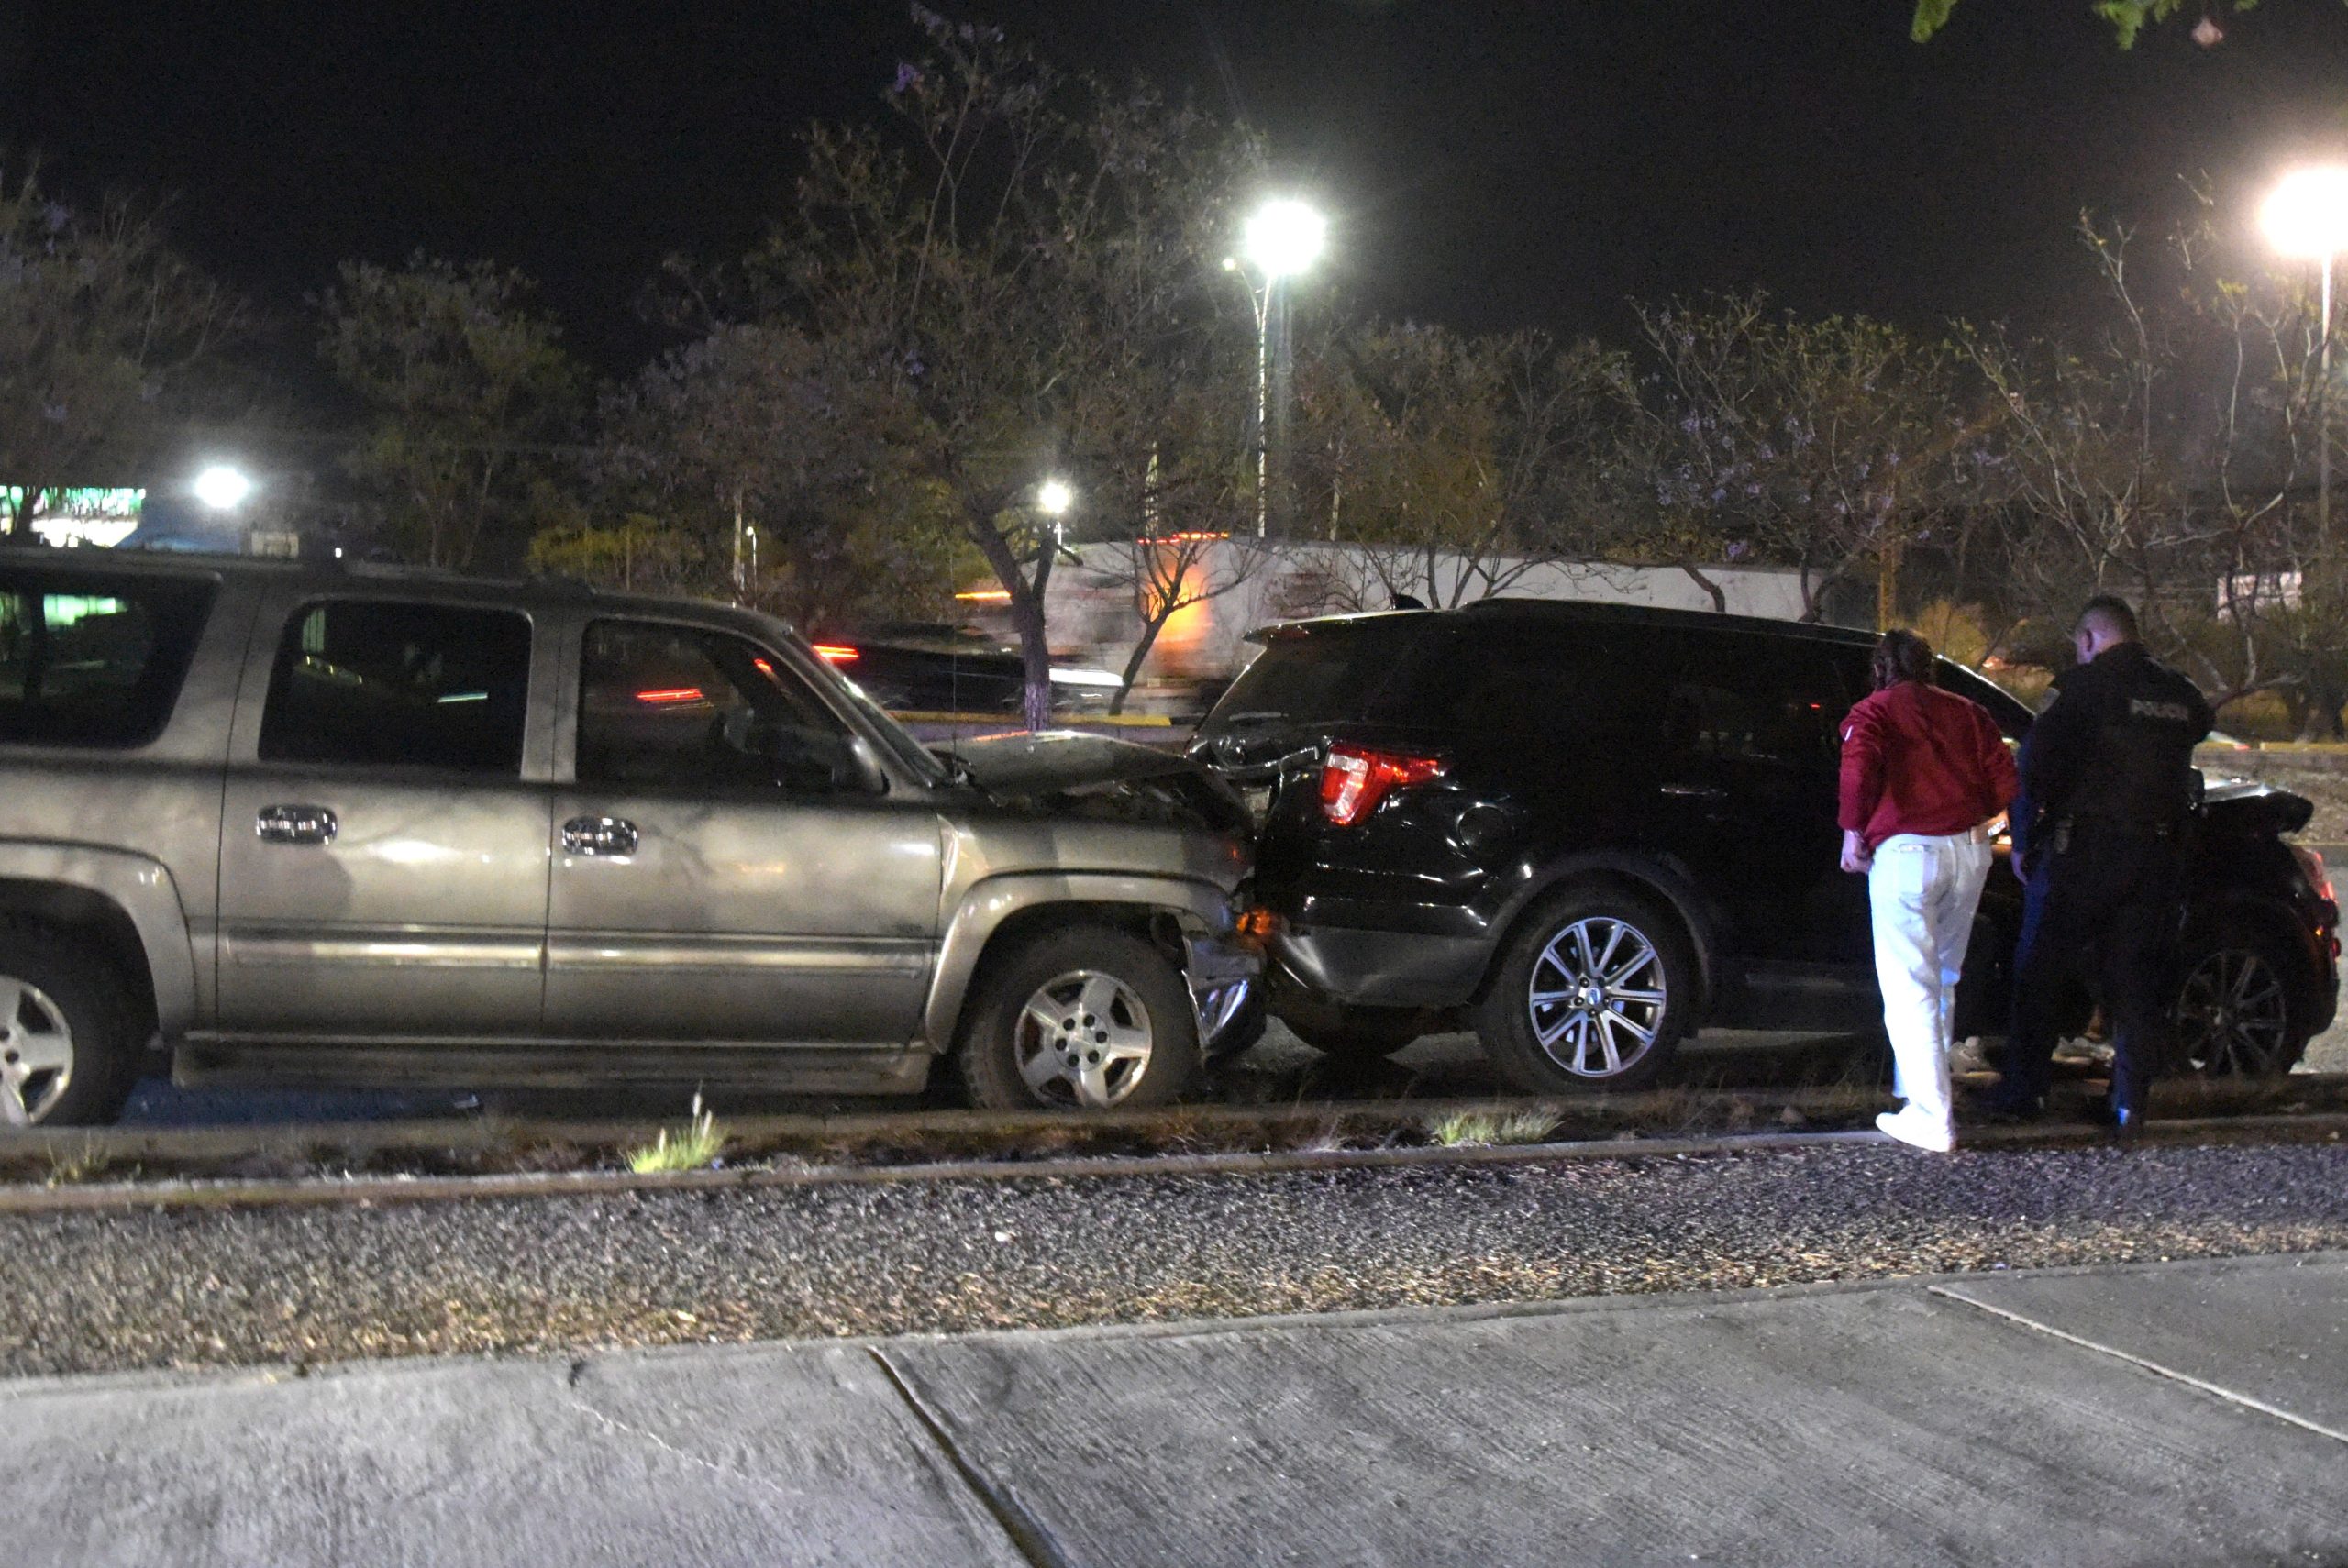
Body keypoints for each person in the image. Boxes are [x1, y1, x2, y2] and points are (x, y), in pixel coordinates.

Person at [1989, 596, 2213, 1135]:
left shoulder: (2079, 689)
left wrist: (2022, 840)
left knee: (2040, 971)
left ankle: (2025, 1093)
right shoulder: (2180, 693)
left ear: (2089, 639)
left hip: (2081, 855)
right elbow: (2200, 728)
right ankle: (2128, 1104)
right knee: (2138, 983)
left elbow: (2032, 765)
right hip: (2155, 859)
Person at [1838, 628, 2019, 1152]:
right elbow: (2006, 781)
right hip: (1968, 852)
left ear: (1881, 668)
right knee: (1941, 977)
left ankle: (1930, 1114)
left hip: (1907, 854)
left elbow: (1858, 771)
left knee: (1907, 986)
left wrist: (1853, 832)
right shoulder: (1969, 711)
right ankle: (1918, 1088)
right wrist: (1984, 828)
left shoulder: (1872, 712)